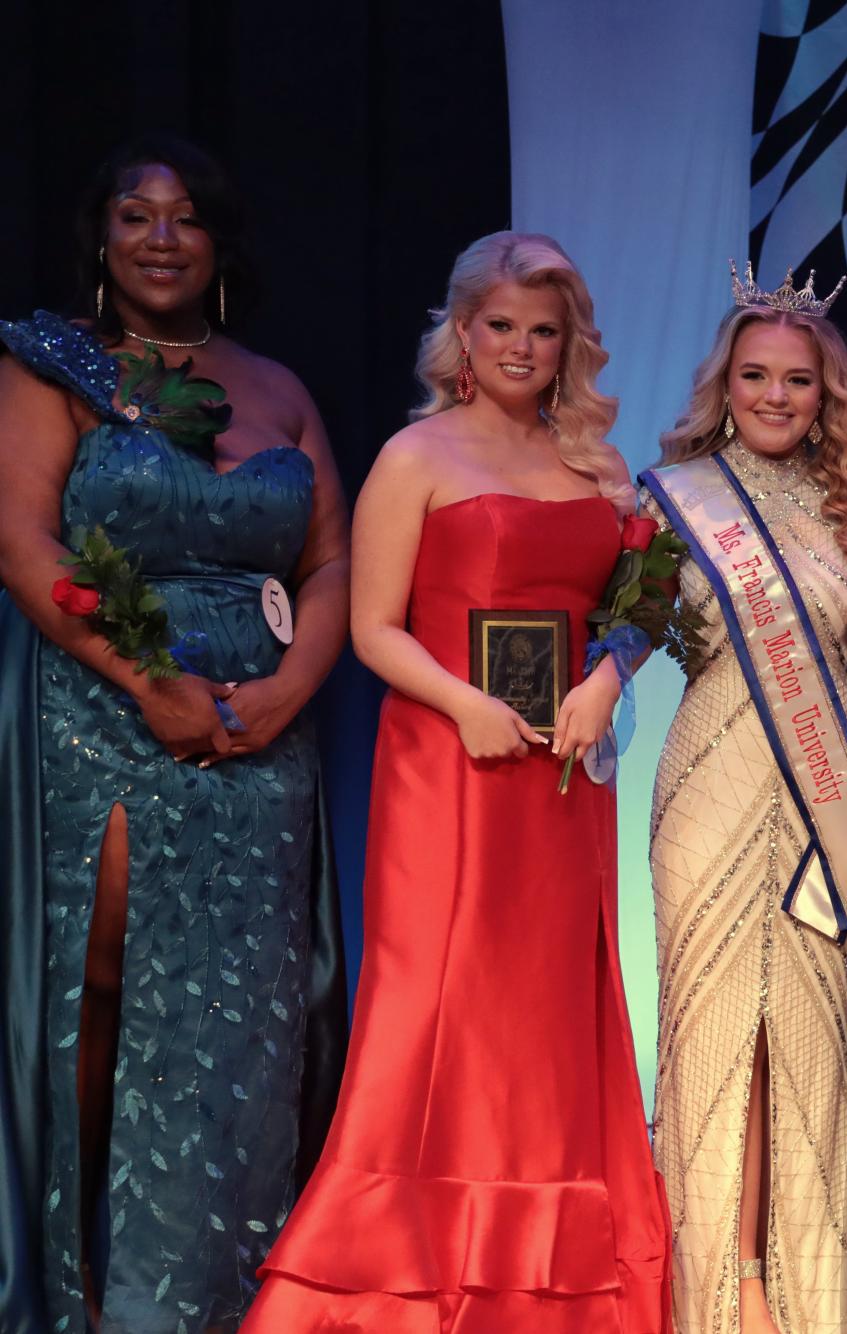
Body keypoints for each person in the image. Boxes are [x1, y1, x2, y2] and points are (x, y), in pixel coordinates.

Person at [243, 232, 669, 1332]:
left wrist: (609, 678)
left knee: (542, 1023)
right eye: (503, 326)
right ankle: (392, 1271)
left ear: (569, 340)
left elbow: (637, 606)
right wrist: (466, 704)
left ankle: (544, 1278)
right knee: (439, 1010)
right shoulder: (415, 454)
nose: (523, 347)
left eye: (544, 328)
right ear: (463, 334)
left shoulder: (601, 470)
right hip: (449, 765)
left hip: (562, 776)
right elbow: (375, 629)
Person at [0, 134, 349, 1332]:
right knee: (102, 988)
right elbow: (26, 548)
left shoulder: (282, 387)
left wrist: (292, 688)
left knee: (246, 1023)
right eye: (136, 213)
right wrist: (147, 680)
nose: (161, 235)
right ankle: (89, 1289)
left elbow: (334, 560)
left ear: (219, 243)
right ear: (101, 234)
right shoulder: (48, 367)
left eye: (186, 216)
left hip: (262, 743)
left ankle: (221, 1301)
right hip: (108, 712)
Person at [644, 266, 847, 1334]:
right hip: (710, 782)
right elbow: (622, 626)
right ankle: (721, 1288)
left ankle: (803, 1293)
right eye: (756, 375)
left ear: (825, 394)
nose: (776, 396)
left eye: (799, 380)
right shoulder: (672, 498)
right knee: (711, 1033)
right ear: (725, 383)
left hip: (823, 793)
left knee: (809, 1041)